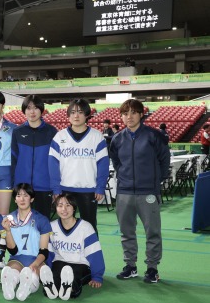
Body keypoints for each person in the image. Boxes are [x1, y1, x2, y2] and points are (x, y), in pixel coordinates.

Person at [109, 99, 170, 284]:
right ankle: (130, 266)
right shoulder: (117, 139)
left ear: (141, 114)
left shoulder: (154, 136)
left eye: (133, 112)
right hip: (124, 192)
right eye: (125, 113)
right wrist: (124, 178)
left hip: (148, 193)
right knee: (126, 232)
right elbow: (116, 161)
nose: (129, 117)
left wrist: (154, 181)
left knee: (153, 232)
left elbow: (164, 160)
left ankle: (152, 268)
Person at [49, 98, 109, 233]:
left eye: (80, 112)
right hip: (65, 189)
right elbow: (53, 164)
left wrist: (100, 186)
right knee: (65, 226)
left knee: (90, 227)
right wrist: (56, 188)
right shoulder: (59, 137)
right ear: (68, 115)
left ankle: (91, 248)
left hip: (88, 190)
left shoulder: (96, 137)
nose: (76, 116)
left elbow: (103, 164)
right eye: (73, 112)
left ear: (87, 114)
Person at [40, 193, 105, 301]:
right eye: (60, 205)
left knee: (74, 279)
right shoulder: (51, 226)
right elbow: (49, 252)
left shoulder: (86, 227)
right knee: (55, 279)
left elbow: (94, 253)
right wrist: (47, 268)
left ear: (74, 208)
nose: (64, 209)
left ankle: (70, 289)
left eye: (68, 205)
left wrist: (97, 276)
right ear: (56, 208)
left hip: (80, 264)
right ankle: (54, 287)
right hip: (59, 262)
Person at [0, 183, 52, 301]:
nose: (22, 199)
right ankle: (9, 285)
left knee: (31, 275)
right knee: (12, 272)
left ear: (32, 199)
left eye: (26, 195)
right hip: (17, 258)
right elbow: (13, 251)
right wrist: (8, 231)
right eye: (18, 196)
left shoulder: (41, 220)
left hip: (36, 258)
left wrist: (35, 264)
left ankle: (26, 287)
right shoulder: (9, 219)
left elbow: (44, 251)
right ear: (15, 199)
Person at [11, 95, 57, 218]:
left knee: (43, 224)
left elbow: (56, 162)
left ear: (41, 110)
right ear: (24, 110)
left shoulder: (51, 132)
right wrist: (14, 185)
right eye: (29, 108)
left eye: (36, 108)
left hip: (45, 187)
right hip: (22, 188)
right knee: (21, 224)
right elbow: (13, 160)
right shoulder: (17, 132)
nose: (32, 112)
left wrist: (55, 187)